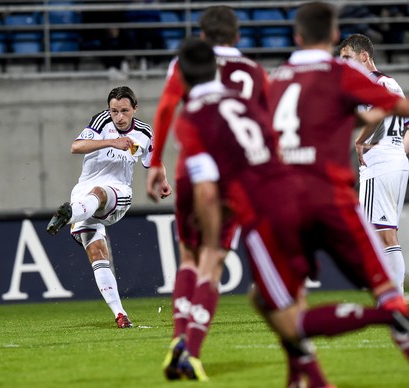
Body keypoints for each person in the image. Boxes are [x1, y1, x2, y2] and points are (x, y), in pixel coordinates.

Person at [174, 36, 409, 386]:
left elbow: (208, 190)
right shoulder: (256, 93)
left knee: (279, 309)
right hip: (315, 192)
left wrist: (213, 229)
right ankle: (309, 377)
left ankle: (387, 318)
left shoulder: (197, 115)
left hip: (271, 210)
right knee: (279, 298)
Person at [145, 6, 269, 380]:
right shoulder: (254, 71)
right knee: (212, 261)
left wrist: (155, 162)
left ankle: (178, 336)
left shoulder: (184, 62)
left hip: (189, 169)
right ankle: (192, 351)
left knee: (188, 256)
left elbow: (167, 106)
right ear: (237, 36)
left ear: (201, 36)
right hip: (233, 175)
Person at [46, 86, 172, 328]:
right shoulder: (102, 122)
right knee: (98, 256)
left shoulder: (144, 133)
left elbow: (154, 161)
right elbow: (76, 146)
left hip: (118, 193)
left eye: (124, 111)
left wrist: (163, 181)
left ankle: (69, 214)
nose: (119, 116)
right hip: (83, 194)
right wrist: (113, 142)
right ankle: (120, 314)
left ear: (135, 109)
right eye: (114, 111)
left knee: (100, 193)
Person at [338, 33, 409, 293]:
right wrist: (399, 154)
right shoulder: (392, 83)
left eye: (348, 58)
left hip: (379, 164)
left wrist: (360, 141)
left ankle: (392, 299)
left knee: (381, 236)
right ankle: (392, 297)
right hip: (396, 162)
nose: (344, 64)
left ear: (364, 56)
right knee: (384, 233)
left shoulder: (372, 84)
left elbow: (380, 113)